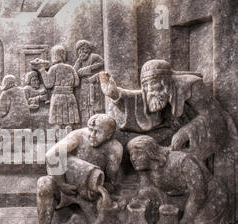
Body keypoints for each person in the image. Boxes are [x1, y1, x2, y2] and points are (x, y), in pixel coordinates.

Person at [99, 59, 236, 162]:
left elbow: (214, 116)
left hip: (202, 133)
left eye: (153, 83)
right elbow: (138, 98)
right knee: (133, 144)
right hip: (171, 130)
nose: (149, 90)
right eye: (145, 85)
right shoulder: (151, 92)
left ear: (166, 81)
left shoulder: (192, 85)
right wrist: (115, 95)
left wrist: (186, 132)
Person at [27, 114, 123, 224]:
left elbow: (110, 182)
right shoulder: (78, 136)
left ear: (108, 135)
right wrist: (60, 183)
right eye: (91, 130)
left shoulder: (114, 148)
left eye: (98, 132)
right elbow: (51, 155)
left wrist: (98, 189)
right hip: (66, 186)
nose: (92, 135)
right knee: (44, 184)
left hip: (90, 192)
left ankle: (78, 222)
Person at [127, 135, 237, 224]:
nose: (133, 158)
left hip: (211, 196)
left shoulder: (182, 161)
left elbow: (199, 193)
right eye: (131, 154)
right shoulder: (145, 169)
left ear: (150, 152)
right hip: (182, 199)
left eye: (137, 153)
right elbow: (145, 192)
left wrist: (187, 220)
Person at [35, 45, 80, 130]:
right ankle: (69, 135)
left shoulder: (54, 68)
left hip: (58, 96)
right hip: (70, 96)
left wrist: (41, 70)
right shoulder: (70, 68)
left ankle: (59, 138)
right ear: (63, 55)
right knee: (69, 120)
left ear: (54, 56)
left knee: (57, 121)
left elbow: (48, 84)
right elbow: (76, 83)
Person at [73, 40, 104, 123]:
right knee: (84, 106)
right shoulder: (79, 60)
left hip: (94, 85)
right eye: (79, 50)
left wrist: (89, 69)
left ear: (88, 49)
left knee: (95, 105)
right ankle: (85, 124)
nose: (81, 52)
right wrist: (79, 62)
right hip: (83, 86)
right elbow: (74, 73)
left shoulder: (94, 57)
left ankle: (97, 122)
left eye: (83, 49)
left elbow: (102, 64)